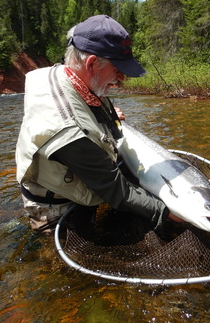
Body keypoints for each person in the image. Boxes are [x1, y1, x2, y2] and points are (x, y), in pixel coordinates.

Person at [15, 15, 180, 233]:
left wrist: (108, 119)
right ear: (92, 63)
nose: (122, 79)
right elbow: (117, 191)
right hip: (56, 210)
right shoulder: (67, 128)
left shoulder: (73, 77)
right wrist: (167, 213)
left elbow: (85, 113)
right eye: (118, 70)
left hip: (79, 177)